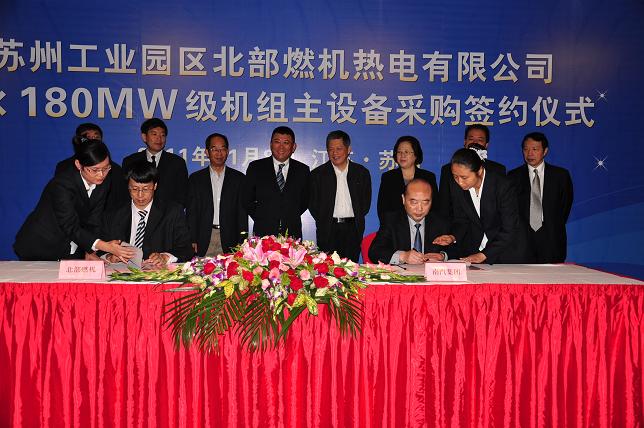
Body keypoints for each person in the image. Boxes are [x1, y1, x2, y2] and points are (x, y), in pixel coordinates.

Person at [14, 139, 135, 262]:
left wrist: (90, 251)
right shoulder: (62, 184)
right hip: (41, 244)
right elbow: (70, 225)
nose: (101, 175)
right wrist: (107, 247)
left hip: (71, 246)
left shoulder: (104, 182)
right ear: (78, 164)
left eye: (106, 168)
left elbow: (94, 220)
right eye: (94, 170)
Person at [446, 148, 531, 264]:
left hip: (508, 250)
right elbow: (461, 220)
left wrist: (485, 254)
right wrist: (452, 237)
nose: (459, 182)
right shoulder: (456, 186)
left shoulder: (503, 186)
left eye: (464, 177)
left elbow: (510, 227)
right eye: (455, 176)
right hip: (476, 251)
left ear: (479, 171)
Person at [101, 161, 193, 268]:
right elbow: (98, 247)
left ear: (155, 186)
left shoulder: (172, 211)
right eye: (134, 189)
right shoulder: (113, 213)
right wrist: (109, 257)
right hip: (121, 270)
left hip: (157, 272)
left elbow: (186, 248)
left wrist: (165, 257)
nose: (140, 195)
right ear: (128, 187)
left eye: (145, 189)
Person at [508, 132, 573, 263]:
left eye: (535, 149)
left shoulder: (560, 176)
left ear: (545, 151)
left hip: (551, 238)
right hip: (522, 240)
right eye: (526, 149)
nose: (530, 153)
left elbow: (565, 207)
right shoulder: (512, 176)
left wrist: (551, 225)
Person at [309, 130, 371, 262]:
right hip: (328, 229)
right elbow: (313, 205)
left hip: (352, 230)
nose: (334, 153)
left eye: (339, 149)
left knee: (350, 268)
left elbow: (365, 204)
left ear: (348, 149)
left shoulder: (361, 173)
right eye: (331, 149)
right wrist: (324, 219)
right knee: (327, 269)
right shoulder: (317, 175)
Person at [243, 126, 310, 239]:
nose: (281, 147)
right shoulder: (256, 167)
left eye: (286, 143)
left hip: (292, 232)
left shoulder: (302, 170)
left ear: (293, 147)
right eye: (277, 142)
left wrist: (289, 215)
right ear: (271, 144)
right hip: (263, 232)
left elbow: (305, 200)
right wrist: (262, 217)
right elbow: (247, 199)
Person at [187, 133, 247, 256]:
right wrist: (192, 238)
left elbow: (242, 213)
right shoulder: (196, 179)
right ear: (207, 152)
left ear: (227, 151)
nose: (219, 153)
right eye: (214, 149)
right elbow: (192, 211)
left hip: (231, 239)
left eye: (223, 149)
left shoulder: (239, 179)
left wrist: (242, 241)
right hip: (203, 237)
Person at [369, 178, 453, 264]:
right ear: (403, 199)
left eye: (425, 202)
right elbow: (375, 251)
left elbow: (456, 249)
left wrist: (443, 256)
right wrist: (403, 256)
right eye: (414, 202)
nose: (419, 209)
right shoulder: (392, 220)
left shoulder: (440, 222)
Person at [55, 123, 129, 213]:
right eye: (88, 137)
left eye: (96, 137)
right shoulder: (65, 168)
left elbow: (121, 200)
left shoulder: (114, 169)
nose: (101, 174)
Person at [437, 124, 506, 221]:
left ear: (486, 145)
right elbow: (444, 206)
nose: (475, 142)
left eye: (480, 140)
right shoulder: (448, 169)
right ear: (465, 142)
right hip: (459, 227)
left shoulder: (498, 170)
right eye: (471, 139)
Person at [122, 118, 189, 208]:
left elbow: (183, 194)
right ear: (144, 137)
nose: (159, 138)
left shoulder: (177, 163)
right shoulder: (130, 161)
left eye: (163, 135)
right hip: (137, 212)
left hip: (168, 214)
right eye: (154, 134)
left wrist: (172, 213)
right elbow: (124, 193)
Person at [376, 136, 438, 224]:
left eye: (406, 152)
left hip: (424, 227)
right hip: (395, 227)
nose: (402, 155)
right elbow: (383, 209)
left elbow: (435, 207)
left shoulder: (428, 177)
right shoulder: (388, 177)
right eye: (399, 152)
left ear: (416, 155)